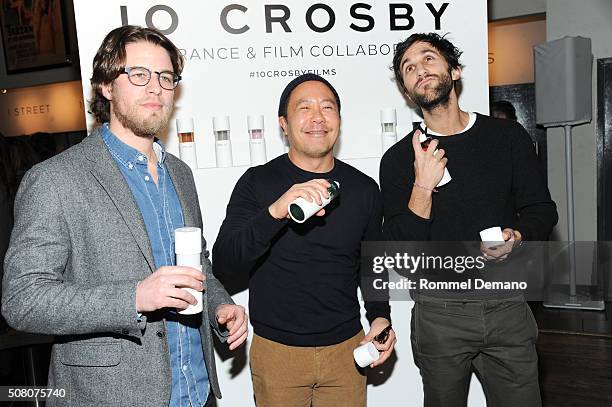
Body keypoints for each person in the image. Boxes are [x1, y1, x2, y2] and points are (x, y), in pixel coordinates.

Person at [2, 25, 248, 407]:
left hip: (197, 394)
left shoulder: (180, 175)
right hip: (111, 397)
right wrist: (133, 297)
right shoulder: (54, 179)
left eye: (166, 77)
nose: (155, 88)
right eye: (138, 74)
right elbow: (23, 299)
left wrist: (219, 305)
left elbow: (200, 266)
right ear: (106, 86)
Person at [380, 33, 558, 407]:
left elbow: (542, 210)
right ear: (408, 93)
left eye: (428, 59)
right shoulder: (398, 160)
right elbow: (402, 254)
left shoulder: (507, 137)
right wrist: (422, 186)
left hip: (507, 306)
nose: (418, 71)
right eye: (408, 69)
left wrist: (518, 236)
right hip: (438, 313)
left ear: (455, 70)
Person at [213, 73, 395, 406]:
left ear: (339, 119)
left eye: (327, 107)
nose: (317, 117)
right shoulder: (257, 182)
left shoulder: (364, 189)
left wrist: (380, 316)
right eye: (304, 107)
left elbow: (373, 266)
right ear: (283, 123)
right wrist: (276, 212)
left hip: (347, 351)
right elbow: (224, 262)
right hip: (277, 354)